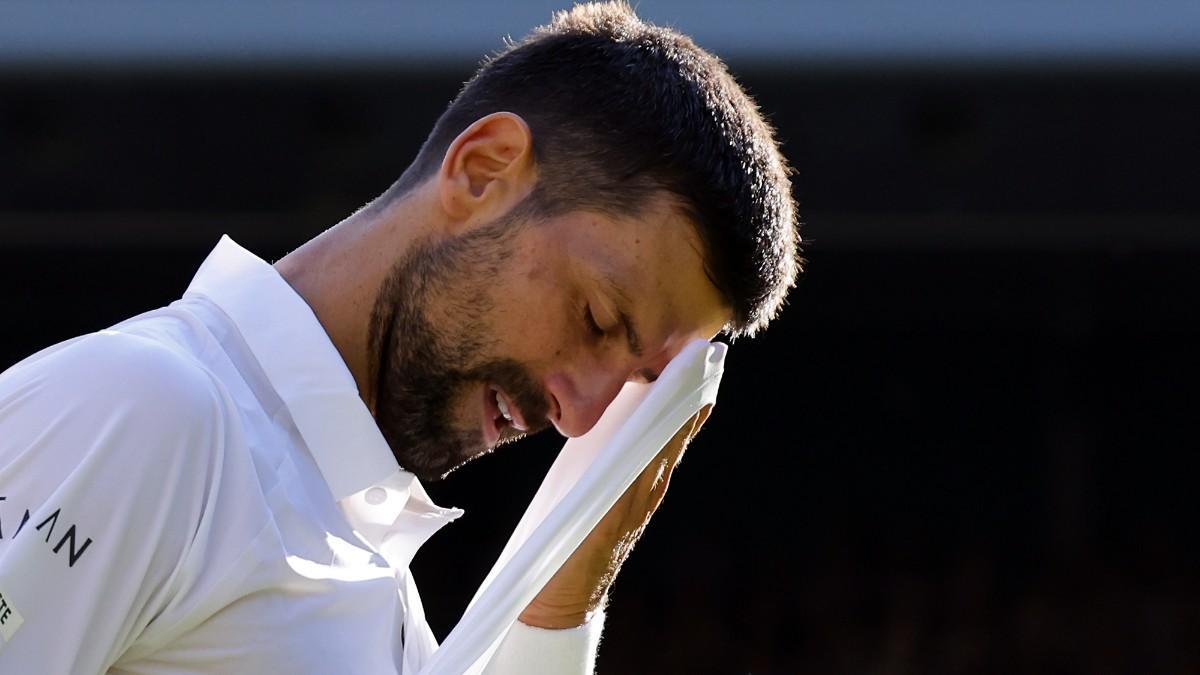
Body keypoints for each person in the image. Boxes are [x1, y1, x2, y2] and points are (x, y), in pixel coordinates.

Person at [0, 2, 799, 672]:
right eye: (594, 318)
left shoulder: (382, 590)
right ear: (483, 170)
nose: (581, 417)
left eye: (633, 384)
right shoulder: (152, 412)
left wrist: (563, 598)